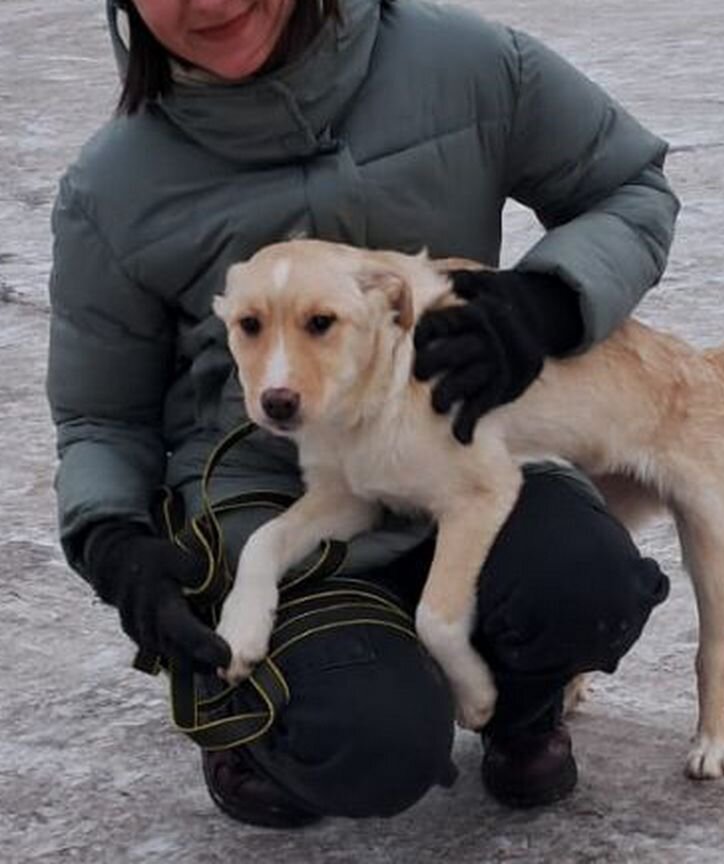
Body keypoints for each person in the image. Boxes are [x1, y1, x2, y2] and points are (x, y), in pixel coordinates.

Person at [47, 0, 677, 827]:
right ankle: (273, 721)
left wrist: (546, 301)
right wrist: (113, 537)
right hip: (276, 501)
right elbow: (102, 416)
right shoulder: (113, 187)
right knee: (367, 743)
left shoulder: (468, 64)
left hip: (452, 452)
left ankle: (521, 711)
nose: (207, 2)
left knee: (586, 581)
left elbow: (627, 185)